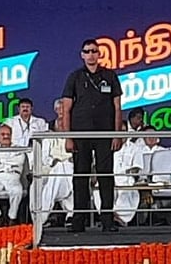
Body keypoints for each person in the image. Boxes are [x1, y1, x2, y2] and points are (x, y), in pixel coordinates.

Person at [62, 38, 123, 233]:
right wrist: (68, 137)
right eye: (87, 51)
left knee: (106, 176)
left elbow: (117, 107)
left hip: (105, 133)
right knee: (80, 176)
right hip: (81, 133)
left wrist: (117, 135)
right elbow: (66, 108)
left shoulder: (110, 76)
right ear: (82, 55)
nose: (91, 55)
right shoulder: (75, 77)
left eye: (94, 51)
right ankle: (78, 220)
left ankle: (107, 220)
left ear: (99, 54)